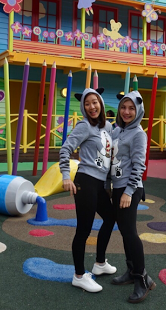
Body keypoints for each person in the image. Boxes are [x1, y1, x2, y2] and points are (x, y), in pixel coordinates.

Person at [59, 87, 116, 293]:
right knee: (84, 230)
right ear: (84, 108)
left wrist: (108, 184)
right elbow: (65, 148)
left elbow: (108, 157)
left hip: (99, 184)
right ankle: (79, 276)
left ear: (101, 103)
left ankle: (100, 263)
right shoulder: (84, 126)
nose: (92, 107)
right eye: (87, 103)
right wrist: (66, 176)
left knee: (110, 218)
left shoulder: (107, 127)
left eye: (94, 102)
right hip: (85, 181)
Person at [110, 91, 155, 303]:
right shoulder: (118, 131)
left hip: (130, 189)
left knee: (130, 233)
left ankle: (142, 279)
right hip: (118, 187)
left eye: (131, 108)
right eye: (123, 107)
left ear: (139, 111)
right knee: (125, 233)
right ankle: (131, 271)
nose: (126, 112)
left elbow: (139, 166)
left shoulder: (138, 134)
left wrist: (128, 192)